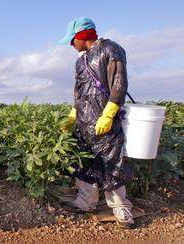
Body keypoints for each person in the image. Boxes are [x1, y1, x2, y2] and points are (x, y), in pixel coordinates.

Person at [59, 17, 134, 228]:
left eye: (72, 39)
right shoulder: (80, 61)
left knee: (112, 161)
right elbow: (79, 91)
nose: (70, 44)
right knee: (85, 162)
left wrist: (109, 113)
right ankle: (85, 201)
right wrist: (73, 115)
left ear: (82, 36)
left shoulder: (112, 49)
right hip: (84, 121)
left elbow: (119, 82)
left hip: (104, 121)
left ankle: (121, 208)